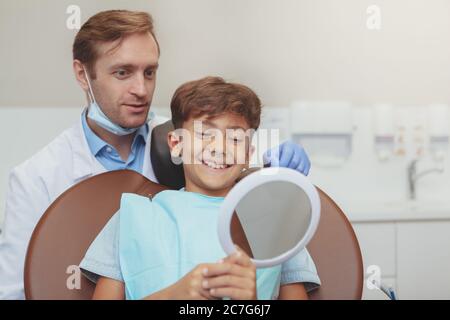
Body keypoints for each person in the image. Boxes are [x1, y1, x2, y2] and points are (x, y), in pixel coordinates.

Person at [0, 10, 311, 300]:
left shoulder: (181, 139)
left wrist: (273, 173)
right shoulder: (37, 179)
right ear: (83, 75)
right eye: (123, 73)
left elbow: (227, 170)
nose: (141, 89)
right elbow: (14, 292)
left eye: (149, 72)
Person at [79, 76, 320, 300]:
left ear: (248, 154)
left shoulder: (277, 225)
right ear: (176, 144)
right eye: (205, 132)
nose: (219, 147)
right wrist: (177, 295)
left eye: (235, 138)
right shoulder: (132, 217)